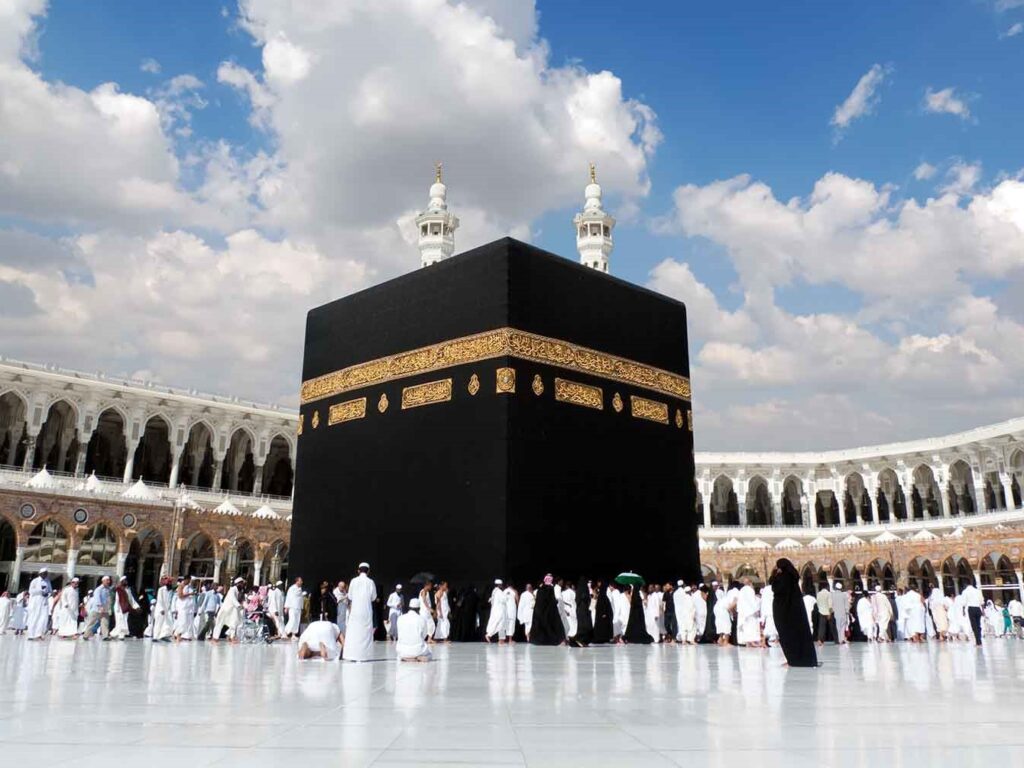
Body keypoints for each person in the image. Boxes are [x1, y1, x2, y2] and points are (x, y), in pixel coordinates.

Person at [769, 559, 818, 667]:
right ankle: (802, 659)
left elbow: (774, 587)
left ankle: (793, 660)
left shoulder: (782, 578)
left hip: (784, 613)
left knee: (787, 636)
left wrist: (773, 574)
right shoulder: (793, 577)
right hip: (795, 613)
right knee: (799, 635)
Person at [343, 562, 377, 661]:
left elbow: (349, 596)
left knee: (354, 632)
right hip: (366, 611)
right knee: (365, 634)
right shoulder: (371, 582)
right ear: (368, 571)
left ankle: (352, 655)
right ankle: (364, 656)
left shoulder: (353, 581)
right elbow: (374, 597)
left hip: (355, 611)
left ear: (358, 570)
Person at [530, 575, 567, 645]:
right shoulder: (550, 588)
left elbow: (539, 602)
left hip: (541, 612)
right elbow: (552, 600)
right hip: (550, 612)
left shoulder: (540, 590)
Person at [211, 578, 245, 643]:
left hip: (232, 610)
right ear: (238, 583)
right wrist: (239, 606)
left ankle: (231, 637)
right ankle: (215, 638)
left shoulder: (237, 590)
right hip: (226, 609)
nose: (242, 585)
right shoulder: (232, 589)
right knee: (220, 623)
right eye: (241, 583)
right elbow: (233, 599)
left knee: (234, 623)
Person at [82, 575, 113, 640]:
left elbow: (108, 599)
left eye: (109, 580)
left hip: (105, 609)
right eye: (107, 580)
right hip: (97, 610)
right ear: (103, 581)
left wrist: (109, 607)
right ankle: (86, 635)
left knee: (105, 623)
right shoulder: (98, 589)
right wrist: (100, 606)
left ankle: (105, 636)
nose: (108, 582)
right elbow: (97, 599)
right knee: (92, 623)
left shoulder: (108, 589)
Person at [26, 568, 53, 640]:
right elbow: (30, 591)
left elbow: (50, 591)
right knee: (35, 617)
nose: (46, 574)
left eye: (46, 573)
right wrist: (41, 591)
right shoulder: (35, 581)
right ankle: (31, 634)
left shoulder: (48, 581)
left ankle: (39, 634)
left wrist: (48, 593)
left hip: (44, 602)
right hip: (36, 602)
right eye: (44, 573)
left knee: (43, 618)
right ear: (40, 574)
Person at [111, 576, 138, 640]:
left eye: (126, 580)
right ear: (122, 582)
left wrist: (136, 606)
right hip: (119, 608)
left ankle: (114, 633)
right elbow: (117, 599)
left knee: (124, 621)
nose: (126, 582)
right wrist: (117, 608)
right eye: (125, 580)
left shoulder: (128, 589)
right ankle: (120, 635)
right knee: (120, 621)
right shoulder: (119, 589)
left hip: (125, 607)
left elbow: (131, 599)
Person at [736, 578, 761, 647]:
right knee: (751, 626)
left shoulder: (741, 590)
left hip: (743, 613)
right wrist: (757, 610)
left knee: (746, 627)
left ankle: (748, 642)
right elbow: (752, 601)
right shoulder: (750, 590)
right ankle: (752, 641)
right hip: (750, 612)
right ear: (750, 583)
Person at [572, 577, 593, 647]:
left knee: (582, 626)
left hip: (580, 610)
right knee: (585, 626)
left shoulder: (578, 589)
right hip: (584, 610)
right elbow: (586, 599)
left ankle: (582, 641)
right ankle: (580, 640)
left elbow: (577, 599)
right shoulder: (584, 589)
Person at [484, 579, 507, 643]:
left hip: (496, 610)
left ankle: (501, 639)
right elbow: (503, 600)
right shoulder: (499, 592)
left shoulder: (494, 591)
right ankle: (489, 635)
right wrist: (506, 596)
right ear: (499, 585)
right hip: (499, 610)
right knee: (498, 623)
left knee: (501, 624)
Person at [760, 581, 777, 646]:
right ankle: (763, 641)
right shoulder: (772, 588)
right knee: (769, 627)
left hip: (767, 610)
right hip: (771, 610)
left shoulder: (765, 589)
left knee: (772, 626)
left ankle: (774, 640)